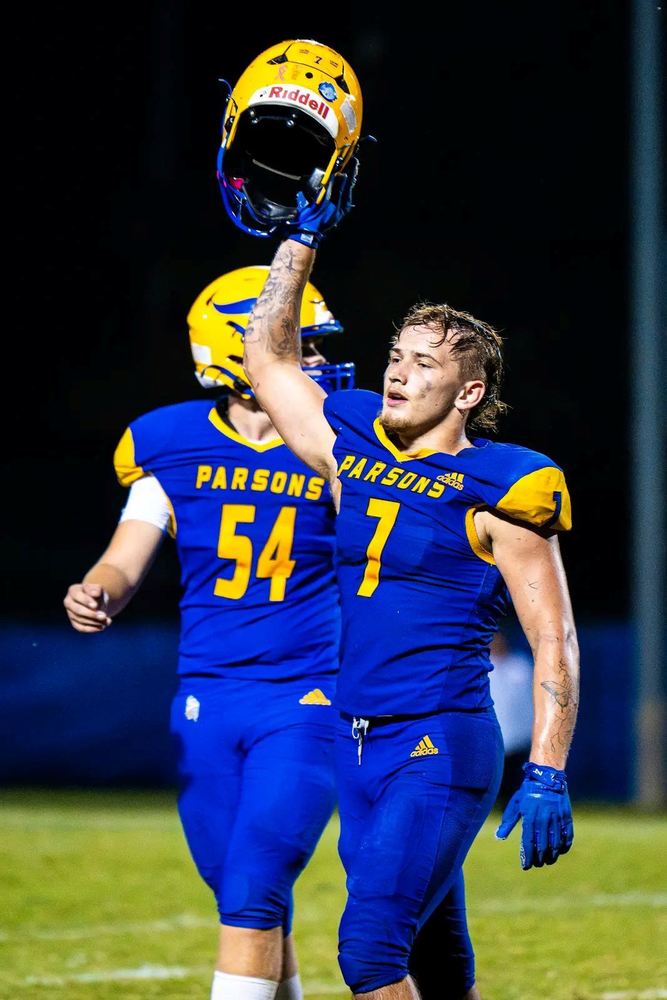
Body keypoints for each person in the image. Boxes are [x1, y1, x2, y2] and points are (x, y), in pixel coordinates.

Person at [236, 202, 580, 1000]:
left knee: (367, 952)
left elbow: (554, 637)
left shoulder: (501, 488)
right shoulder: (351, 447)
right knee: (435, 957)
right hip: (354, 741)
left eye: (422, 363)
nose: (395, 371)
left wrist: (548, 768)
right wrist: (301, 237)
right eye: (395, 354)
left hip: (436, 744)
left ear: (468, 392)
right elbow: (267, 358)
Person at [63, 264, 356, 1000]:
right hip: (209, 696)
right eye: (303, 344)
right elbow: (126, 553)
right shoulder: (170, 442)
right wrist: (97, 591)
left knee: (257, 878)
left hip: (309, 693)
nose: (318, 362)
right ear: (239, 350)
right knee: (239, 890)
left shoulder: (340, 439)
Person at [488, 627, 534, 807]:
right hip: (491, 737)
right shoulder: (482, 668)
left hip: (517, 737)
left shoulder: (519, 666)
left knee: (514, 782)